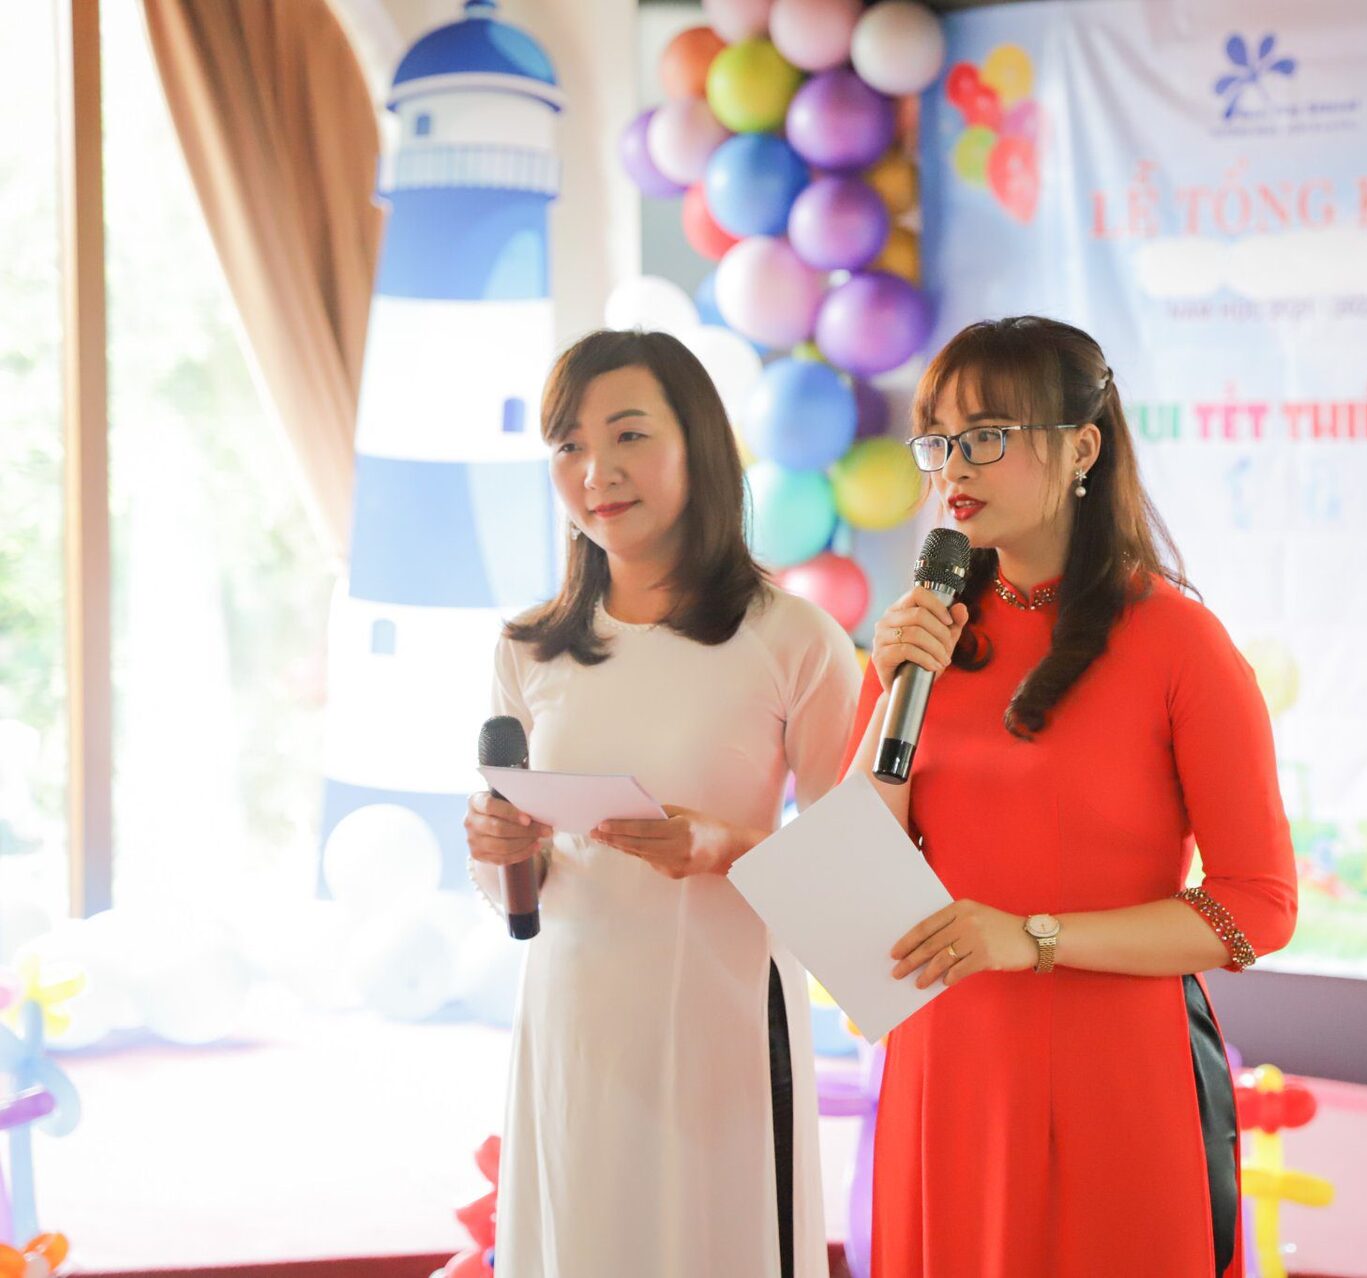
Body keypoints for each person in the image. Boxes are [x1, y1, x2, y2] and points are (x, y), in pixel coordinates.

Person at [844, 316, 1299, 1277]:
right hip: (945, 1066)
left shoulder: (1179, 643)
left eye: (986, 436)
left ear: (1083, 447)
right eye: (937, 440)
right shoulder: (925, 638)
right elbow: (855, 884)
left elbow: (1258, 906)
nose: (952, 467)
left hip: (1114, 1073)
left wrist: (1034, 937)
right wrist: (889, 692)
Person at [464, 329, 860, 1277]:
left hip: (724, 1038)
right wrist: (500, 844)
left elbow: (855, 891)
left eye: (629, 435)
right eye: (568, 444)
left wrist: (727, 845)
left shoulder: (796, 641)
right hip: (572, 1032)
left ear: (699, 444)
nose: (596, 470)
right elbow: (526, 888)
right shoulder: (528, 647)